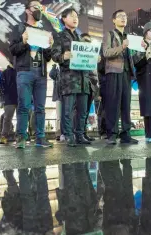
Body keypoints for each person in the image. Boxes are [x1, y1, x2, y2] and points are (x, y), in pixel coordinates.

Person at [9, 0, 54, 149]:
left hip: (40, 72)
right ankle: (21, 137)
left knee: (40, 107)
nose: (39, 10)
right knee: (24, 106)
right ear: (28, 10)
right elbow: (13, 50)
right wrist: (23, 41)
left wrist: (50, 46)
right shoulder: (19, 28)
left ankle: (40, 137)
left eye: (40, 8)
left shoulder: (44, 30)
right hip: (25, 71)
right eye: (36, 8)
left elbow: (48, 57)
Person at [51, 8, 91, 147]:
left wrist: (94, 58)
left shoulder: (81, 39)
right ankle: (68, 135)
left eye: (77, 16)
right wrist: (63, 56)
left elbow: (87, 57)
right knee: (67, 110)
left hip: (83, 79)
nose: (75, 18)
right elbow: (54, 55)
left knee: (82, 110)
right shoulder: (59, 36)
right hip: (69, 79)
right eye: (72, 16)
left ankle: (80, 134)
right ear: (64, 18)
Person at [103, 10, 138, 145]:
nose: (123, 18)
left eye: (125, 16)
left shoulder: (129, 37)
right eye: (120, 16)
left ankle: (126, 134)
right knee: (113, 104)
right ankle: (111, 134)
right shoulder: (109, 34)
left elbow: (132, 57)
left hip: (126, 74)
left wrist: (138, 49)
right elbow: (106, 52)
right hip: (113, 72)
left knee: (126, 105)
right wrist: (122, 46)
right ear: (114, 20)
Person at [0, 63, 18, 144]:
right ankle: (4, 136)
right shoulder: (5, 72)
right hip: (10, 98)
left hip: (11, 98)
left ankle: (18, 136)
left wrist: (1, 98)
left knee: (8, 118)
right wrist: (1, 98)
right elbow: (1, 86)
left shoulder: (5, 72)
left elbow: (0, 86)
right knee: (8, 118)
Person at [49, 64, 65, 141]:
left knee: (66, 114)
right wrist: (54, 67)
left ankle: (66, 132)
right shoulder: (55, 68)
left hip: (66, 94)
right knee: (59, 116)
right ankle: (58, 133)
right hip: (58, 95)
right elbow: (51, 75)